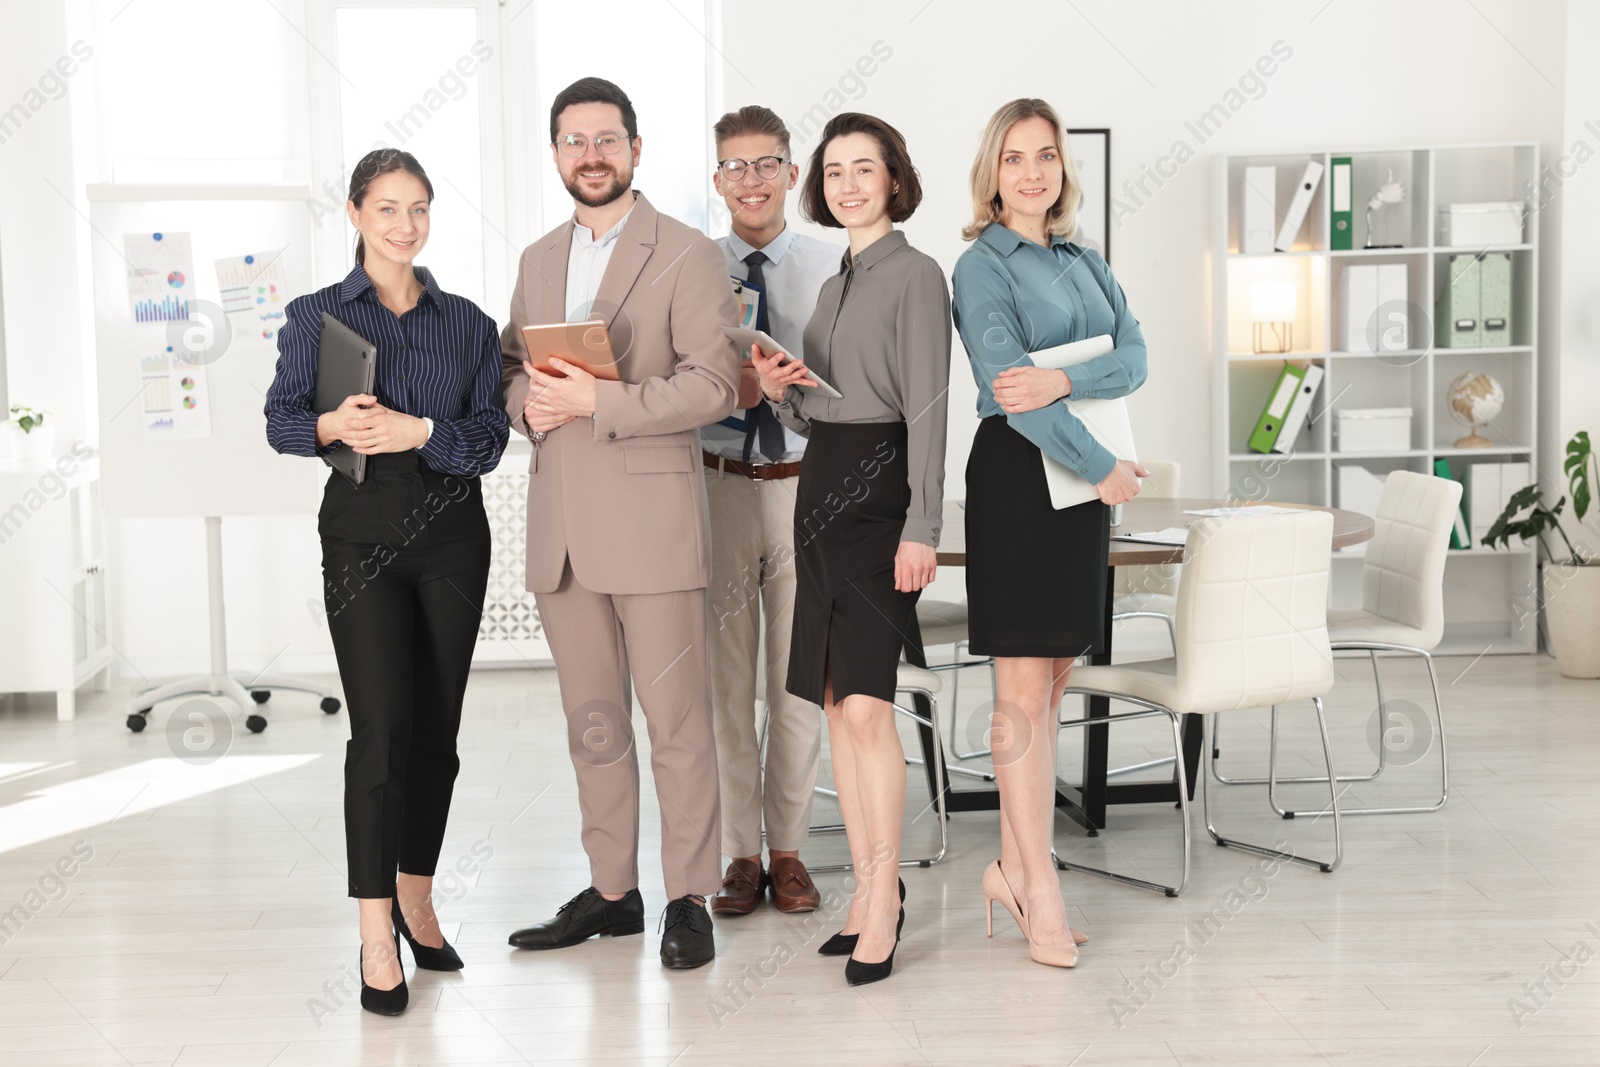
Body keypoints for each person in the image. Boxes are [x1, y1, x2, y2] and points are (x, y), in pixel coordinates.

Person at [500, 77, 741, 970]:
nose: (590, 155)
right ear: (557, 153)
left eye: (607, 139)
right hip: (564, 530)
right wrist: (532, 403)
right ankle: (613, 893)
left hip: (651, 527)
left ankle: (689, 896)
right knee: (594, 723)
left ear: (636, 150)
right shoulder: (533, 260)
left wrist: (600, 398)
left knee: (676, 723)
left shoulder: (685, 254)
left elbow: (714, 387)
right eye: (573, 140)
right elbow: (508, 372)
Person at [264, 148, 509, 1015]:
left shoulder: (470, 323)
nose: (405, 226)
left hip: (452, 534)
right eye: (388, 209)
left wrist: (417, 432)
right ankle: (375, 934)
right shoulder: (316, 316)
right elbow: (282, 422)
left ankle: (416, 896)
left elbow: (488, 440)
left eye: (419, 209)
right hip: (362, 536)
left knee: (435, 734)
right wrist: (332, 420)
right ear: (357, 214)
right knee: (379, 731)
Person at [750, 111, 951, 987]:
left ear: (893, 178)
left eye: (863, 168)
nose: (847, 184)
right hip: (820, 492)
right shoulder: (832, 286)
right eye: (833, 172)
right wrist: (777, 391)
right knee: (835, 706)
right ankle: (871, 892)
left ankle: (886, 894)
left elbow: (931, 411)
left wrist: (923, 526)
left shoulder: (917, 275)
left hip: (880, 498)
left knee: (868, 708)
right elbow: (822, 407)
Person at [951, 99, 1149, 969]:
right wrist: (1100, 459)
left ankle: (1010, 865)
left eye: (1046, 157)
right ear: (992, 172)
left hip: (1081, 479)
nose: (1032, 173)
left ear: (1062, 168)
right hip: (1022, 483)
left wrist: (1061, 379)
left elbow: (1136, 356)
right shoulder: (979, 267)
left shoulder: (1086, 259)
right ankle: (1043, 886)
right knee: (1020, 696)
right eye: (1015, 158)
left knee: (1054, 683)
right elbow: (1007, 395)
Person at [700, 106, 842, 919]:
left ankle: (789, 849)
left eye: (767, 164)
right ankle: (741, 855)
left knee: (796, 682)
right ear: (717, 180)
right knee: (725, 685)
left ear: (793, 174)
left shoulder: (831, 267)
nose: (751, 180)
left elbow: (859, 387)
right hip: (715, 483)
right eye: (735, 166)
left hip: (802, 486)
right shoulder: (689, 267)